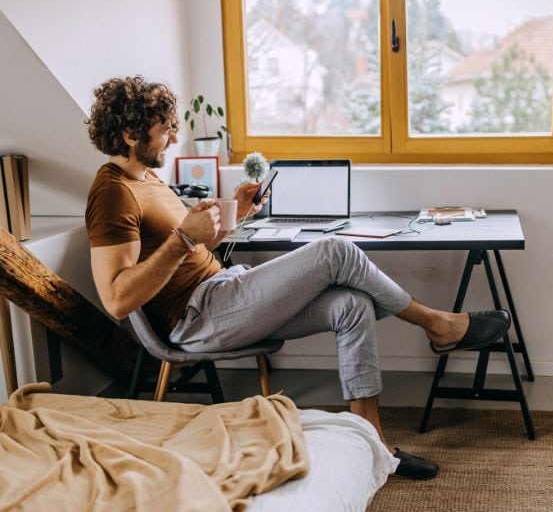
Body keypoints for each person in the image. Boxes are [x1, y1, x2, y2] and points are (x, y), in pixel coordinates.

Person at [85, 76, 511, 480]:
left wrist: (235, 215)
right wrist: (183, 239)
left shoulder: (148, 179)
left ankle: (373, 442)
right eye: (164, 130)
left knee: (352, 303)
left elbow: (189, 253)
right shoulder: (112, 193)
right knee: (337, 249)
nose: (173, 139)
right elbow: (118, 298)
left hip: (222, 292)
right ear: (130, 134)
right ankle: (437, 323)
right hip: (197, 319)